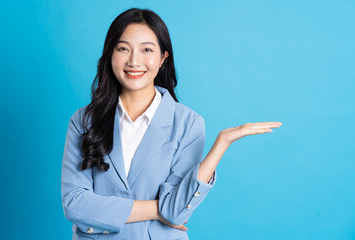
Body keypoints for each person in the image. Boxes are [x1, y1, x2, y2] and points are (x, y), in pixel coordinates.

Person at [61, 8, 282, 240]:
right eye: (123, 49)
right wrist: (159, 210)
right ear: (110, 54)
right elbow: (75, 204)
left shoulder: (188, 123)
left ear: (163, 57)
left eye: (147, 50)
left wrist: (221, 144)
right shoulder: (84, 120)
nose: (134, 61)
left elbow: (176, 211)